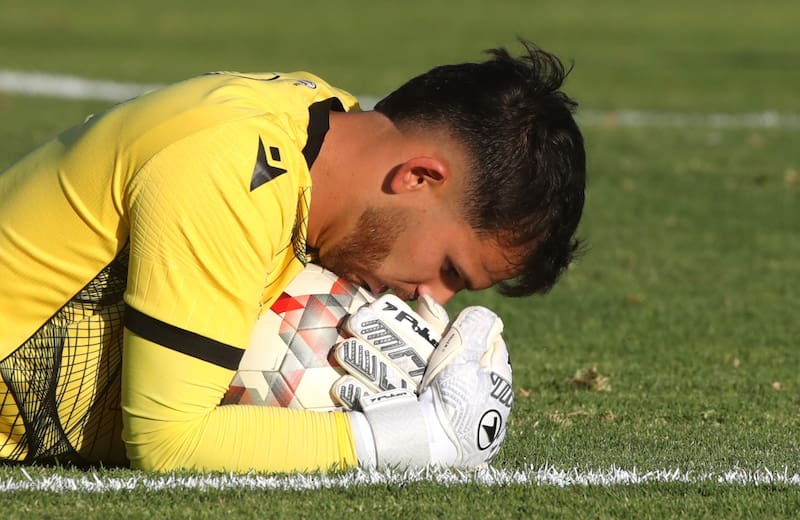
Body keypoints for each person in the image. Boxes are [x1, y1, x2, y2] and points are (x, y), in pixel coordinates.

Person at [0, 40, 585, 472]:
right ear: (417, 177)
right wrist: (413, 437)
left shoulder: (323, 122)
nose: (430, 300)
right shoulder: (231, 169)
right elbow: (168, 444)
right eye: (450, 270)